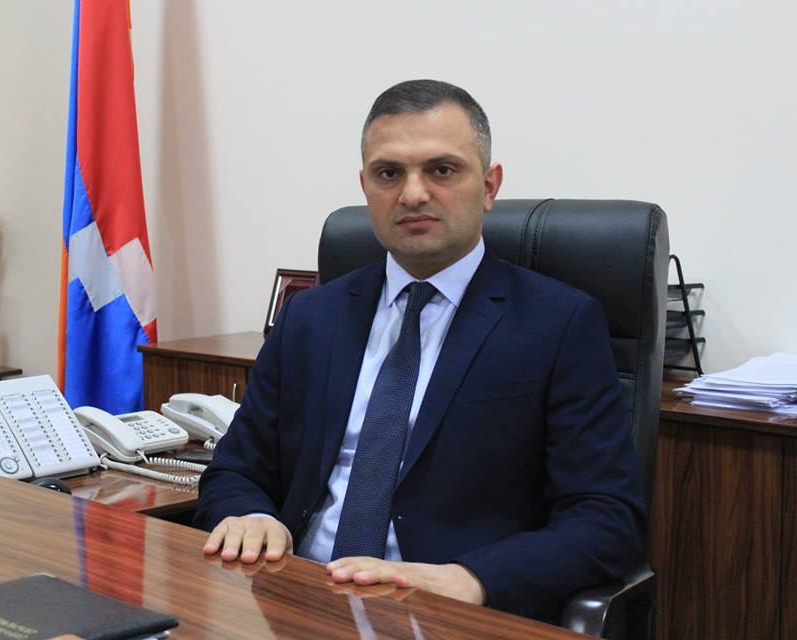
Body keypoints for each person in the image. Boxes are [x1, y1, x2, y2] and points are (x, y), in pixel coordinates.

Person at [195, 79, 645, 622]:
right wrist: (250, 516)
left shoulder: (559, 324)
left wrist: (473, 578)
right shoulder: (311, 317)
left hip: (444, 613)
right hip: (296, 600)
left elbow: (606, 517)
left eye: (442, 169)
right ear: (365, 186)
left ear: (489, 186)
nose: (412, 194)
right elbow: (235, 469)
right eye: (389, 173)